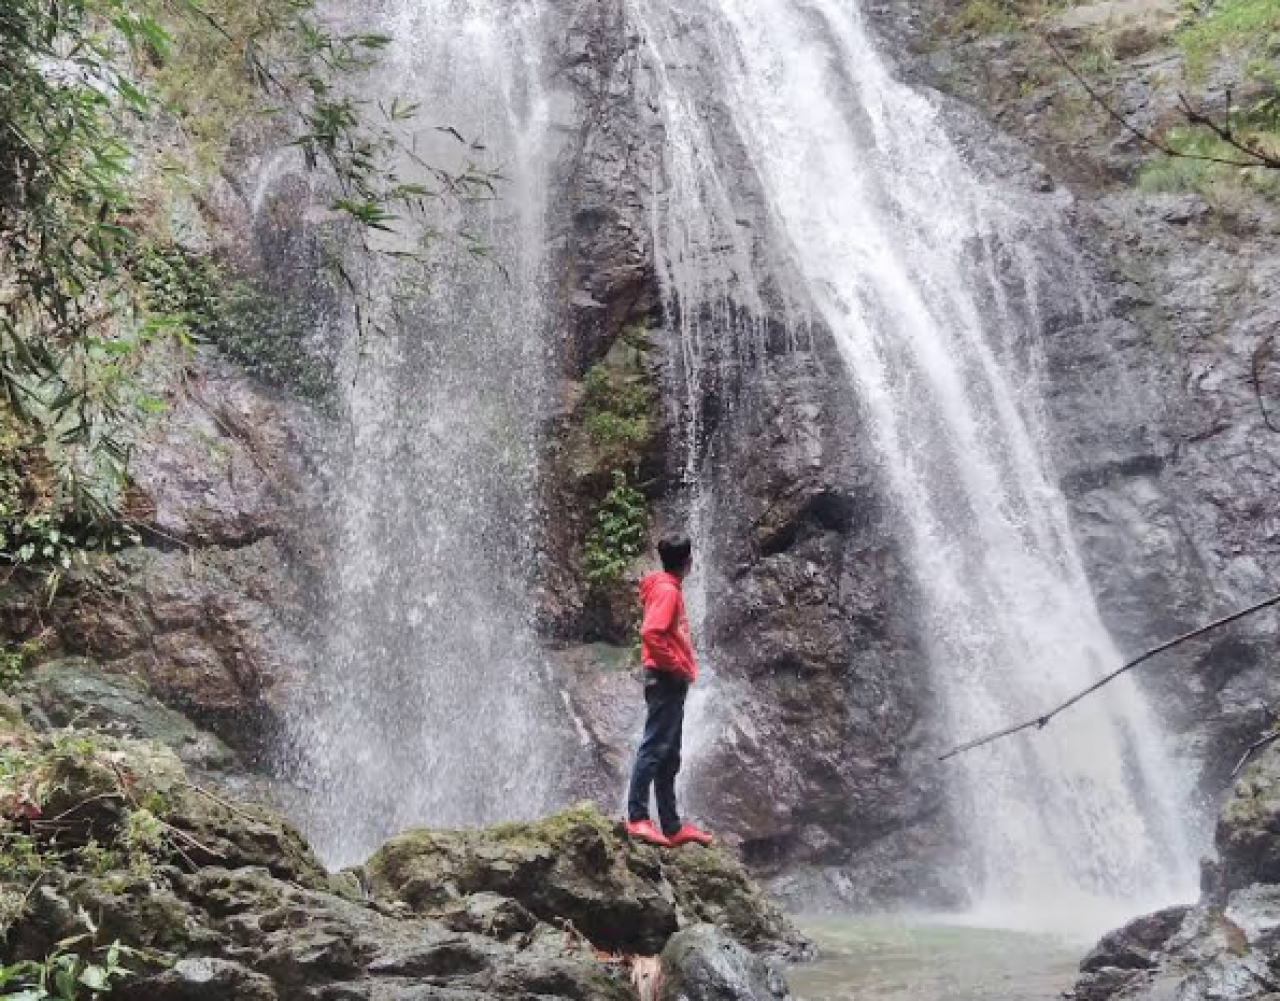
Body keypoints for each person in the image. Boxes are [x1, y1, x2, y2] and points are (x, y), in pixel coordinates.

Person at [624, 535, 714, 848]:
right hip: (664, 678)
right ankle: (637, 817)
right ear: (687, 563)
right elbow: (651, 632)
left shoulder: (667, 587)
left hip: (669, 680)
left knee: (669, 754)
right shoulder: (666, 591)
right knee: (653, 748)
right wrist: (676, 665)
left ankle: (672, 825)